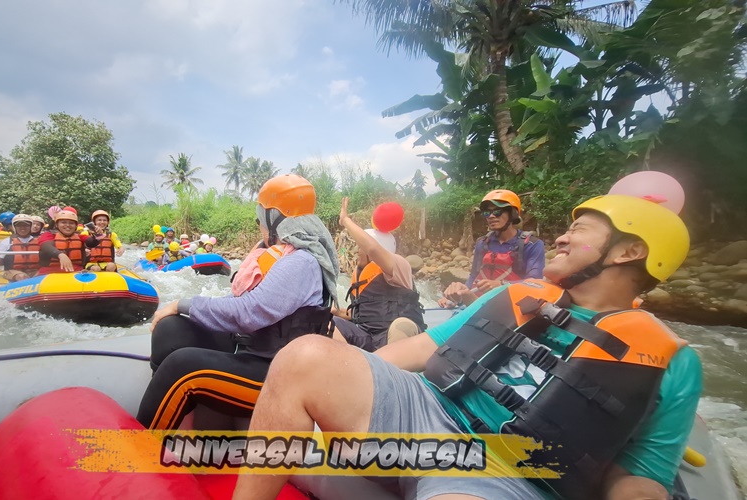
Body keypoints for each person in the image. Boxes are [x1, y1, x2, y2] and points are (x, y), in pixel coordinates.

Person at [233, 194, 701, 500]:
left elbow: (641, 475)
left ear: (628, 252)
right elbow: (419, 348)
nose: (562, 236)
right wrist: (338, 386)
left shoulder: (674, 362)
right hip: (427, 409)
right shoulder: (517, 295)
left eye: (580, 230)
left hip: (506, 470)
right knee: (306, 355)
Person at [135, 174, 339, 431]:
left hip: (279, 371)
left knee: (181, 366)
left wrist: (183, 304)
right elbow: (238, 302)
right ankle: (171, 420)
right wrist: (185, 308)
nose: (259, 226)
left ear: (274, 219)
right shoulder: (283, 255)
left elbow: (248, 312)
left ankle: (140, 444)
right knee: (171, 330)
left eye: (260, 218)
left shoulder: (301, 262)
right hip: (255, 349)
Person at [331, 197, 426, 352]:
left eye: (360, 247)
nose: (357, 251)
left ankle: (394, 366)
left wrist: (345, 220)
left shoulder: (399, 266)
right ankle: (349, 363)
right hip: (368, 335)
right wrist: (338, 312)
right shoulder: (359, 274)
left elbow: (372, 248)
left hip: (396, 336)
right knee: (328, 323)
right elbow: (362, 313)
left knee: (401, 325)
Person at [440, 189, 545, 309]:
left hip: (511, 306)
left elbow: (535, 283)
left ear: (513, 214)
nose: (491, 216)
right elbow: (473, 276)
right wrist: (457, 297)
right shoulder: (482, 243)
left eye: (497, 212)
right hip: (478, 304)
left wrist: (502, 284)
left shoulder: (531, 245)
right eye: (487, 213)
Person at [36, 210, 102, 275]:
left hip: (75, 273)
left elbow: (92, 243)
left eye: (71, 223)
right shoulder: (48, 235)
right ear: (56, 225)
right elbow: (46, 246)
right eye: (63, 222)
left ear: (76, 226)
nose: (68, 225)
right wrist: (60, 255)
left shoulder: (80, 237)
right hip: (49, 273)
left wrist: (98, 235)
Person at [0, 213, 40, 282]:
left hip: (34, 271)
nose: (23, 227)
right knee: (22, 276)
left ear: (30, 226)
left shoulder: (39, 241)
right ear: (14, 227)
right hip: (12, 271)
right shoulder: (6, 242)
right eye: (19, 225)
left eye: (26, 225)